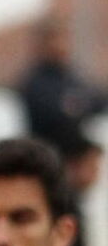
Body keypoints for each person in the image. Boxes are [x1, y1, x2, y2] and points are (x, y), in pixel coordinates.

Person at [21, 19, 107, 153]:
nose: (61, 46)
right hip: (48, 155)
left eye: (64, 39)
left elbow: (97, 101)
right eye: (55, 40)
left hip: (76, 154)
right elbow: (55, 115)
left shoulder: (72, 76)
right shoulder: (34, 83)